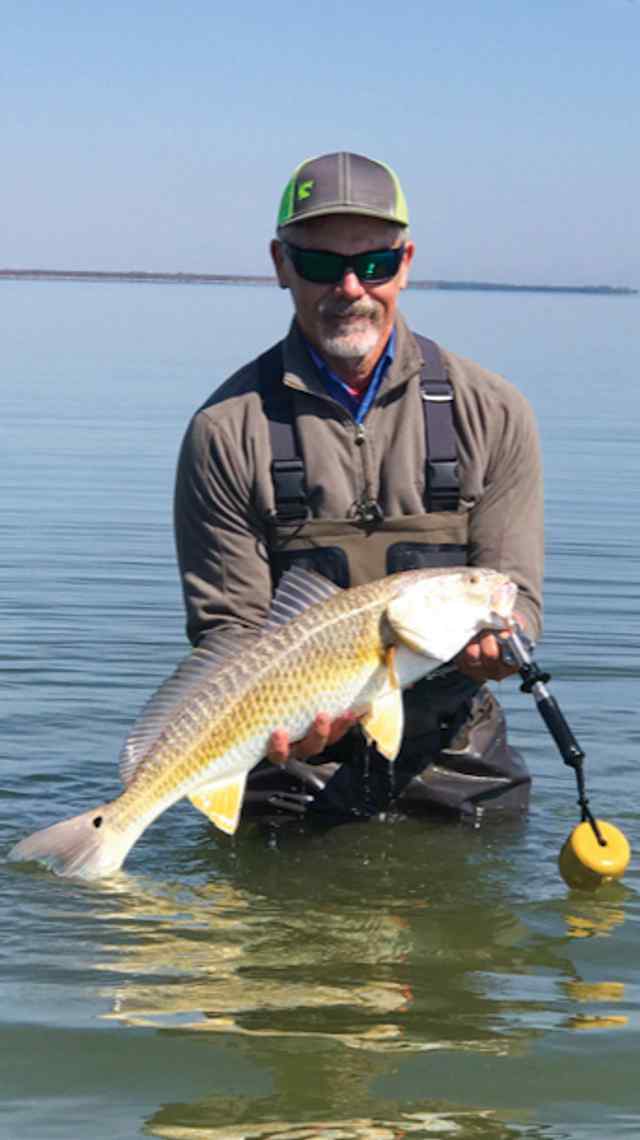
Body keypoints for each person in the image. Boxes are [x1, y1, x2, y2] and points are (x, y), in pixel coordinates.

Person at [174, 151, 543, 822]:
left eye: (373, 264)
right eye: (319, 264)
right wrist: (283, 724)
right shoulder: (225, 431)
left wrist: (506, 644)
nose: (349, 287)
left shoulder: (494, 410)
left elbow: (516, 591)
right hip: (290, 755)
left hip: (456, 755)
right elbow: (229, 633)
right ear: (280, 265)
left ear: (405, 264)